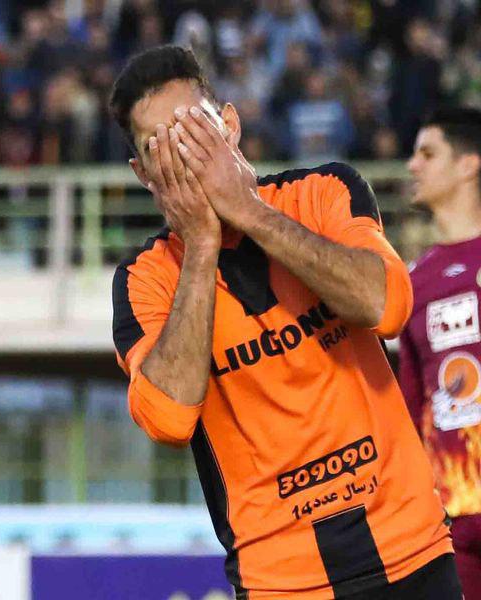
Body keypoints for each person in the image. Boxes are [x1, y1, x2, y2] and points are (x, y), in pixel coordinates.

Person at [109, 45, 459, 599]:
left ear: (229, 125)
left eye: (194, 129)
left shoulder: (323, 191)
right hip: (281, 581)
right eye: (161, 146)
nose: (184, 154)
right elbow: (169, 420)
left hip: (411, 549)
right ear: (142, 173)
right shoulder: (143, 278)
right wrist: (201, 245)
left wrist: (247, 209)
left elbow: (386, 306)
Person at [400, 107, 481, 600]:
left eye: (428, 154)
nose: (412, 165)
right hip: (453, 518)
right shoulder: (414, 282)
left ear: (469, 164)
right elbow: (410, 406)